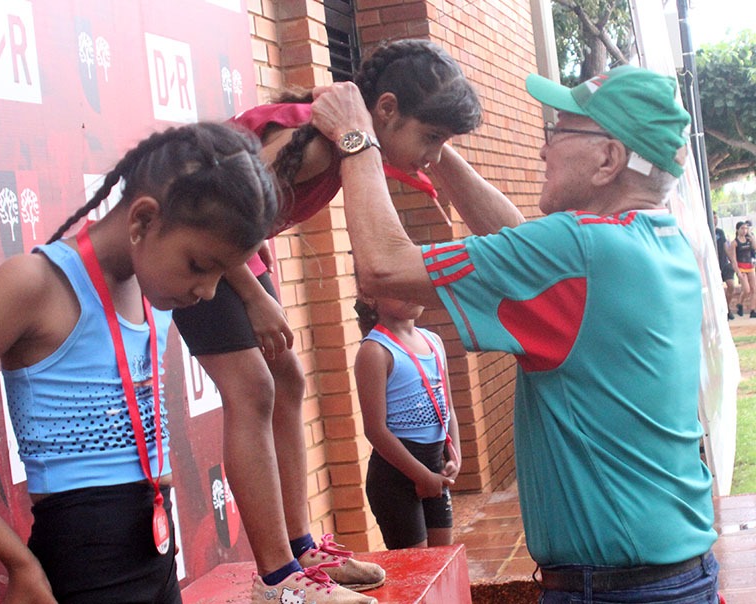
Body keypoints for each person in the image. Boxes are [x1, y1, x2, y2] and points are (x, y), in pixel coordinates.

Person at [311, 64, 720, 602]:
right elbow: (519, 241)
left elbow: (383, 269)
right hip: (677, 575)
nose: (544, 150)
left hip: (617, 591)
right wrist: (433, 147)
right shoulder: (660, 242)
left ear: (608, 159)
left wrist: (356, 138)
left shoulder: (577, 251)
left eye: (559, 132)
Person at [170, 38, 522, 603]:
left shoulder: (352, 139)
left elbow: (502, 228)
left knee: (288, 380)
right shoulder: (314, 145)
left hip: (235, 249)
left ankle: (301, 547)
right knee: (253, 389)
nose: (434, 154)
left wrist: (435, 152)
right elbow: (215, 211)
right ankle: (278, 579)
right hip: (192, 241)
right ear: (386, 110)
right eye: (431, 137)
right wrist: (255, 298)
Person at [0, 122, 279, 603]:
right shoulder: (35, 285)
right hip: (83, 574)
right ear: (143, 220)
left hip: (158, 562)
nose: (208, 292)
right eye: (199, 266)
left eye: (221, 273)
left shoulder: (156, 294)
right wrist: (18, 561)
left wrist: (253, 296)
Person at [353, 290, 461, 550]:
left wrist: (455, 456)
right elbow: (375, 430)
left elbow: (448, 408)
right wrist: (421, 476)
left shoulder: (434, 341)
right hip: (396, 477)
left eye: (412, 283)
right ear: (371, 296)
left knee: (441, 560)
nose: (409, 292)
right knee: (417, 566)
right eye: (397, 287)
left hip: (434, 470)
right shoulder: (375, 351)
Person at [729, 220, 756, 318]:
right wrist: (738, 272)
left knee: (754, 289)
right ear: (737, 229)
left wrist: (752, 237)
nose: (744, 230)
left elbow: (754, 247)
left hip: (750, 266)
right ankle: (739, 303)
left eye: (746, 228)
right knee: (746, 289)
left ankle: (753, 310)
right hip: (741, 267)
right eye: (742, 228)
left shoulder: (749, 240)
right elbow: (733, 259)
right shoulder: (734, 243)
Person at [713, 212, 736, 320]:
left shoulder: (720, 232)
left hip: (724, 263)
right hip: (713, 265)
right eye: (713, 218)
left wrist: (732, 261)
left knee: (731, 285)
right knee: (717, 289)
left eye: (716, 218)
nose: (715, 220)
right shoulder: (705, 231)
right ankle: (720, 311)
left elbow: (725, 247)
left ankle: (727, 308)